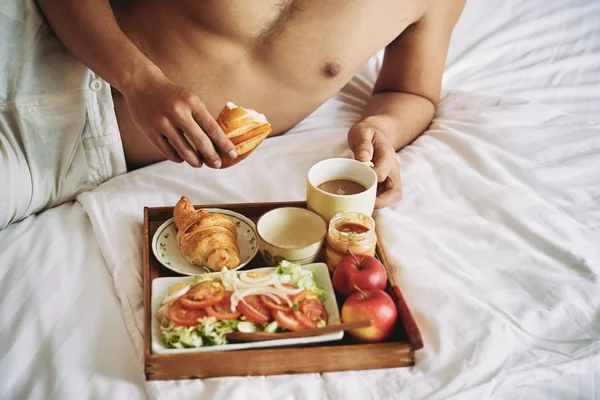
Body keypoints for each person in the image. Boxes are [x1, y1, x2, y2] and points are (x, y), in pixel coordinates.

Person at [0, 0, 464, 229]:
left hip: (82, 152)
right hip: (30, 44)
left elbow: (411, 91)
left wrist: (382, 126)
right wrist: (140, 82)